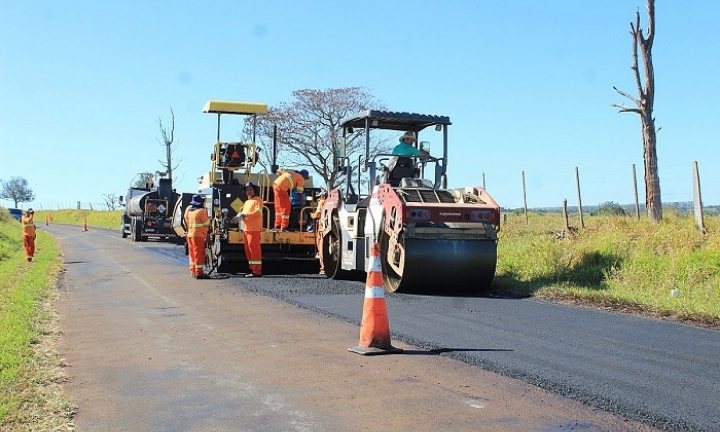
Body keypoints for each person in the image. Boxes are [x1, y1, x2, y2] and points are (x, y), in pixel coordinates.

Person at [238, 182, 263, 278]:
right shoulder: (246, 202)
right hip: (247, 229)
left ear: (254, 190)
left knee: (254, 250)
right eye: (247, 190)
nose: (249, 191)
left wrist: (245, 215)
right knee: (248, 250)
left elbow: (258, 213)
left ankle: (257, 271)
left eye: (250, 189)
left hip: (254, 229)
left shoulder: (258, 200)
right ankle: (253, 269)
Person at [184, 194, 210, 279]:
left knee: (192, 254)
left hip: (190, 235)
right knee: (199, 254)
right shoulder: (201, 211)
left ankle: (193, 271)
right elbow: (207, 223)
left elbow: (186, 220)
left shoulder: (188, 209)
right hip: (198, 236)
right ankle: (199, 273)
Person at [310, 189, 327, 275]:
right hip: (326, 229)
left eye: (319, 197)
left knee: (321, 250)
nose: (319, 199)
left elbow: (317, 214)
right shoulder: (328, 203)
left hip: (322, 229)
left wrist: (311, 215)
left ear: (323, 196)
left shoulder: (322, 202)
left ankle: (323, 269)